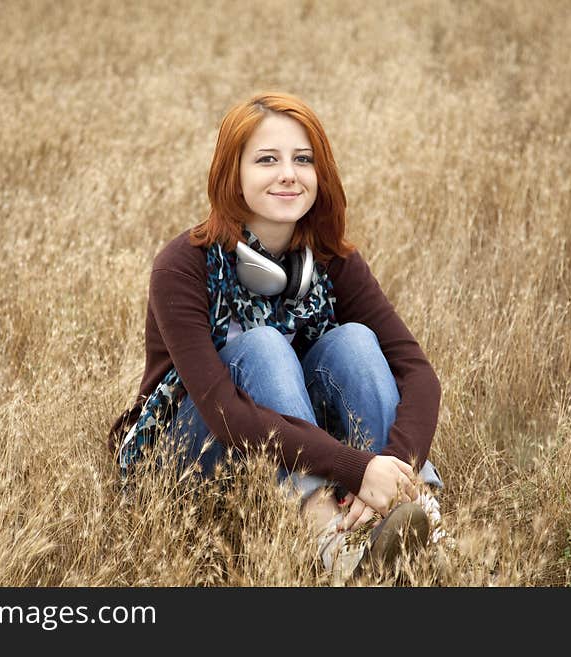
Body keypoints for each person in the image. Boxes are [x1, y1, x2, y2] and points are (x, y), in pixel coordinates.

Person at [108, 91, 446, 584]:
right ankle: (331, 540)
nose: (289, 173)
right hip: (187, 454)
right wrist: (354, 466)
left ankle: (413, 514)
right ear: (233, 174)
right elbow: (225, 412)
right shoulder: (182, 265)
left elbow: (417, 372)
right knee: (262, 344)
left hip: (291, 444)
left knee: (353, 342)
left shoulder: (334, 261)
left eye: (303, 159)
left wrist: (391, 463)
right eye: (267, 159)